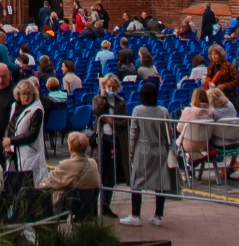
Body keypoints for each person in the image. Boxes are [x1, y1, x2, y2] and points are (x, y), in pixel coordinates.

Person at [123, 82, 172, 228]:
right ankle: (158, 215)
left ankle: (135, 215)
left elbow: (133, 133)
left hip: (143, 149)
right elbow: (168, 132)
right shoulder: (164, 111)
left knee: (137, 181)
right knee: (160, 182)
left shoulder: (137, 110)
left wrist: (131, 151)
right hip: (160, 149)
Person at [91, 74, 129, 219]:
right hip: (101, 139)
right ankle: (93, 205)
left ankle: (106, 205)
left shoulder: (120, 102)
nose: (111, 89)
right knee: (98, 173)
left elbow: (124, 121)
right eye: (108, 87)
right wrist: (103, 97)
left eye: (113, 87)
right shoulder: (97, 98)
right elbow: (97, 110)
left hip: (115, 140)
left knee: (111, 176)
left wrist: (112, 122)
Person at [3, 77, 46, 184]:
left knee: (29, 185)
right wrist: (8, 144)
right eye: (23, 94)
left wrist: (11, 141)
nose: (26, 97)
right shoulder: (15, 106)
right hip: (15, 152)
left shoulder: (37, 110)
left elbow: (32, 135)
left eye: (29, 94)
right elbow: (11, 126)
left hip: (30, 153)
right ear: (19, 94)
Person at [42, 131, 100, 206]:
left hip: (68, 207)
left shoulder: (65, 165)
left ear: (70, 147)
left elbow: (49, 182)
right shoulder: (93, 163)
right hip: (89, 206)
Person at [177, 88, 215, 164]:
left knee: (173, 146)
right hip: (204, 145)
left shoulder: (188, 111)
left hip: (188, 145)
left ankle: (186, 170)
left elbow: (179, 128)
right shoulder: (210, 112)